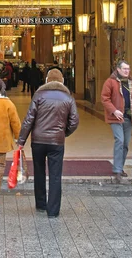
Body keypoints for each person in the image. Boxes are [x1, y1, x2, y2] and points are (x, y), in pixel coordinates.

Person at [18, 68, 79, 218]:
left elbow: (29, 119)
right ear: (62, 81)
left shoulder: (39, 95)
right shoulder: (68, 98)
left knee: (39, 172)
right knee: (55, 175)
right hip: (56, 142)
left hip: (38, 140)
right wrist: (63, 133)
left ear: (47, 80)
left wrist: (21, 140)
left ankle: (40, 204)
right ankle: (53, 211)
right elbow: (74, 121)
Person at [101, 59, 132, 182]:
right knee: (119, 140)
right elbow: (105, 98)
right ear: (118, 69)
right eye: (124, 69)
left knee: (125, 144)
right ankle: (117, 170)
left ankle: (120, 167)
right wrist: (114, 110)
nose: (127, 71)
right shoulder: (110, 82)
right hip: (116, 117)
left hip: (128, 117)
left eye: (128, 69)